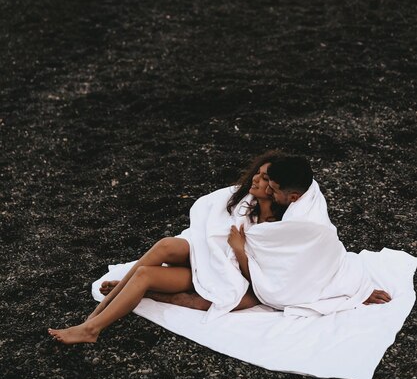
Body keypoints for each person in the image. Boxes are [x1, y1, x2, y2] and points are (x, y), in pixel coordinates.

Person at [48, 152, 390, 344]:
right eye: (261, 176)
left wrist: (239, 249)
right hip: (213, 256)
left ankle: (93, 328)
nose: (257, 180)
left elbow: (268, 276)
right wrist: (221, 243)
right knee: (167, 246)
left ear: (282, 194)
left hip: (231, 274)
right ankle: (95, 317)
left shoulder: (284, 228)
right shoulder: (253, 202)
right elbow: (217, 223)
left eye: (266, 181)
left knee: (145, 277)